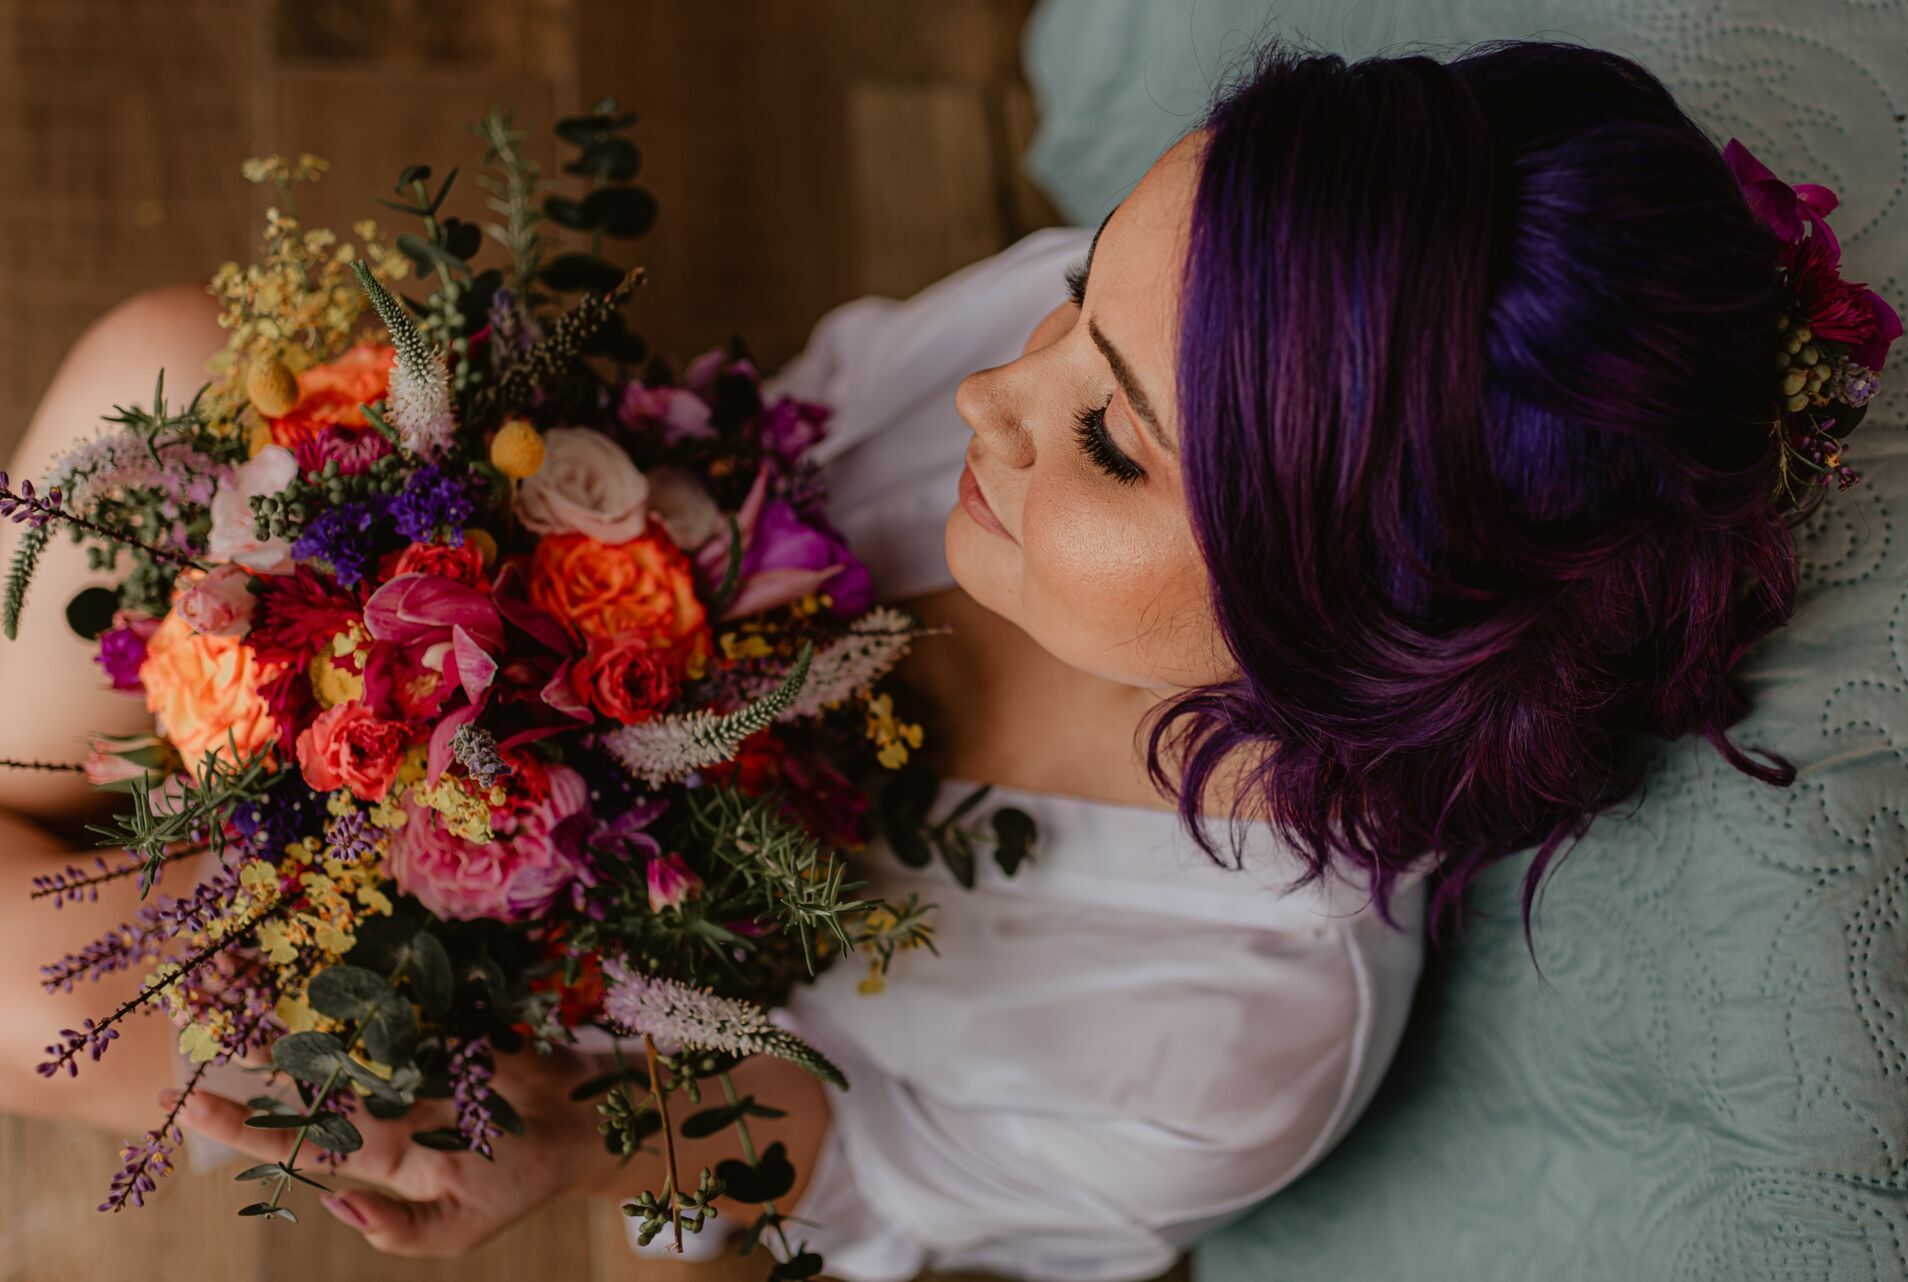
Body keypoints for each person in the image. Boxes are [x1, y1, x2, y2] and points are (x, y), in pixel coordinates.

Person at [0, 35, 1811, 1281]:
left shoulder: (1229, 1040)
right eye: (1079, 295)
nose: (989, 394)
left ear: (1350, 634)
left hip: (539, 1008)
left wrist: (572, 1130)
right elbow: (774, 420)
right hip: (479, 687)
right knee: (161, 370)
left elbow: (869, 1154)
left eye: (1109, 444)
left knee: (43, 977)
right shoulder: (1065, 371)